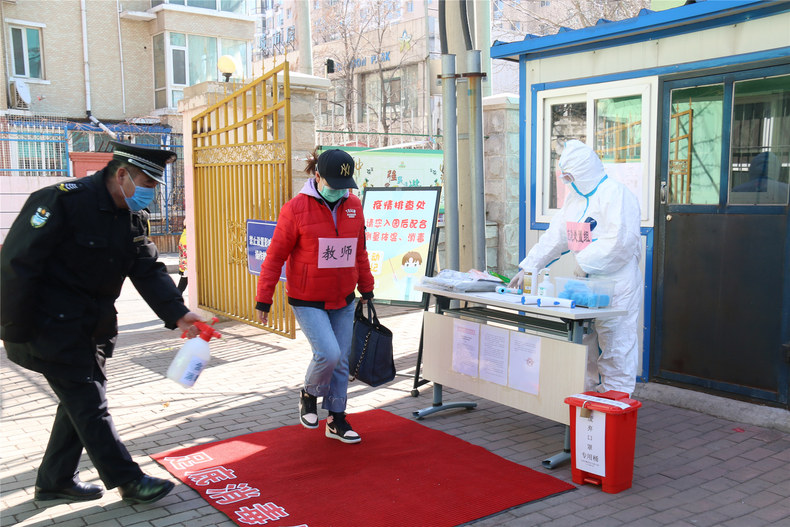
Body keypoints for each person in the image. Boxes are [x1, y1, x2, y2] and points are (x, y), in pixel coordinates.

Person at [1, 141, 203, 505]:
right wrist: (13, 330)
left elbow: (147, 269)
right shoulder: (61, 201)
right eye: (148, 183)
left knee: (78, 404)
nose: (151, 194)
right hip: (50, 328)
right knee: (90, 405)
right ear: (122, 173)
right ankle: (129, 480)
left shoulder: (131, 216)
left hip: (92, 329)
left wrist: (177, 312)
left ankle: (54, 480)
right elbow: (17, 265)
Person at [255, 148, 374, 444]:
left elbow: (359, 251)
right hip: (308, 298)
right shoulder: (295, 209)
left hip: (344, 297)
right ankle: (309, 393)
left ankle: (336, 419)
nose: (339, 191)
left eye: (344, 186)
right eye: (333, 185)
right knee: (329, 354)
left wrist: (367, 288)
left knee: (342, 361)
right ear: (317, 177)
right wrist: (264, 299)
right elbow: (274, 257)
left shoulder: (354, 206)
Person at [510, 140, 642, 395]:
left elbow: (621, 242)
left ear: (583, 172)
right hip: (586, 285)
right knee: (583, 343)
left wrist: (586, 262)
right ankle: (586, 409)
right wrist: (529, 266)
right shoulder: (575, 201)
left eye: (569, 176)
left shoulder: (616, 194)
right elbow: (555, 236)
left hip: (617, 284)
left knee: (616, 345)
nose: (566, 181)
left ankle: (616, 407)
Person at [177, 222, 188, 293]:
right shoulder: (187, 237)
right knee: (181, 286)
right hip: (187, 265)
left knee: (182, 285)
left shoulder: (184, 235)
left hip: (185, 265)